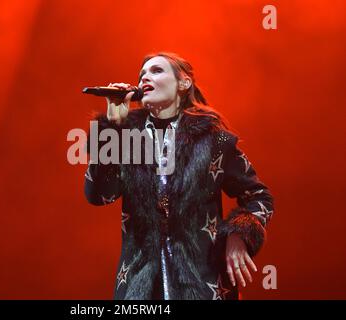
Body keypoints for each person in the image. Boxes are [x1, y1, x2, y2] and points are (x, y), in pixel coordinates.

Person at [84, 52, 274, 300]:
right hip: (139, 288)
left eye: (156, 71)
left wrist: (239, 235)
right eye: (142, 74)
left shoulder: (214, 140)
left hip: (203, 283)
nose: (144, 78)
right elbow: (99, 195)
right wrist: (112, 129)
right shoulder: (128, 137)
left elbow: (259, 197)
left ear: (184, 84)